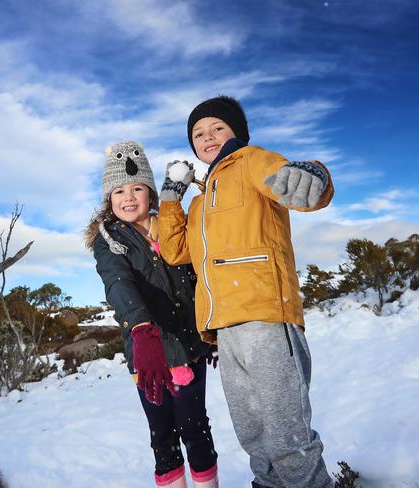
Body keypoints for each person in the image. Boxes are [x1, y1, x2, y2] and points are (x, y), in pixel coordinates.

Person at [158, 96, 335, 488]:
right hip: (225, 329)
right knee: (254, 435)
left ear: (237, 132)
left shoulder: (252, 161)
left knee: (288, 436)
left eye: (217, 128)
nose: (207, 137)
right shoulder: (202, 199)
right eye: (198, 133)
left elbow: (294, 181)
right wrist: (171, 194)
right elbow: (174, 251)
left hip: (265, 318)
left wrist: (314, 175)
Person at [86, 141, 219, 488]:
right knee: (163, 436)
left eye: (137, 188)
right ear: (108, 198)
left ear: (150, 193)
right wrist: (142, 330)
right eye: (119, 191)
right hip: (149, 355)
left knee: (197, 430)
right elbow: (118, 284)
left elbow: (197, 279)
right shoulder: (109, 240)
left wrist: (212, 327)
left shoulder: (171, 226)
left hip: (191, 348)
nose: (128, 197)